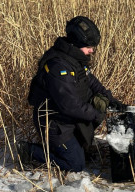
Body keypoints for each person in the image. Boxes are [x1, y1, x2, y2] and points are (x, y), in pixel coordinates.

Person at [17, 16, 126, 172]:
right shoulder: (58, 67)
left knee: (92, 120)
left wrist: (111, 100)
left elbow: (91, 81)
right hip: (54, 123)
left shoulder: (74, 58)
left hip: (68, 119)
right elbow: (70, 105)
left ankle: (74, 146)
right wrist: (96, 114)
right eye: (88, 47)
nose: (92, 50)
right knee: (76, 165)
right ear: (76, 44)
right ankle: (30, 151)